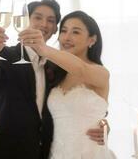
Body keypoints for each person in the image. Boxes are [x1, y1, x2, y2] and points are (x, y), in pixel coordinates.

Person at [0, 0, 107, 159]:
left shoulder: (56, 67)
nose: (44, 24)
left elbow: (89, 106)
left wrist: (103, 125)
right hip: (8, 151)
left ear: (54, 30)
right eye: (38, 17)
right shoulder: (5, 55)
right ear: (25, 21)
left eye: (50, 20)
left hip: (46, 153)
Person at [19, 10, 116, 159]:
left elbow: (82, 70)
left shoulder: (100, 73)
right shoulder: (52, 72)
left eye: (75, 32)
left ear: (92, 39)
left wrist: (103, 124)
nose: (67, 38)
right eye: (63, 31)